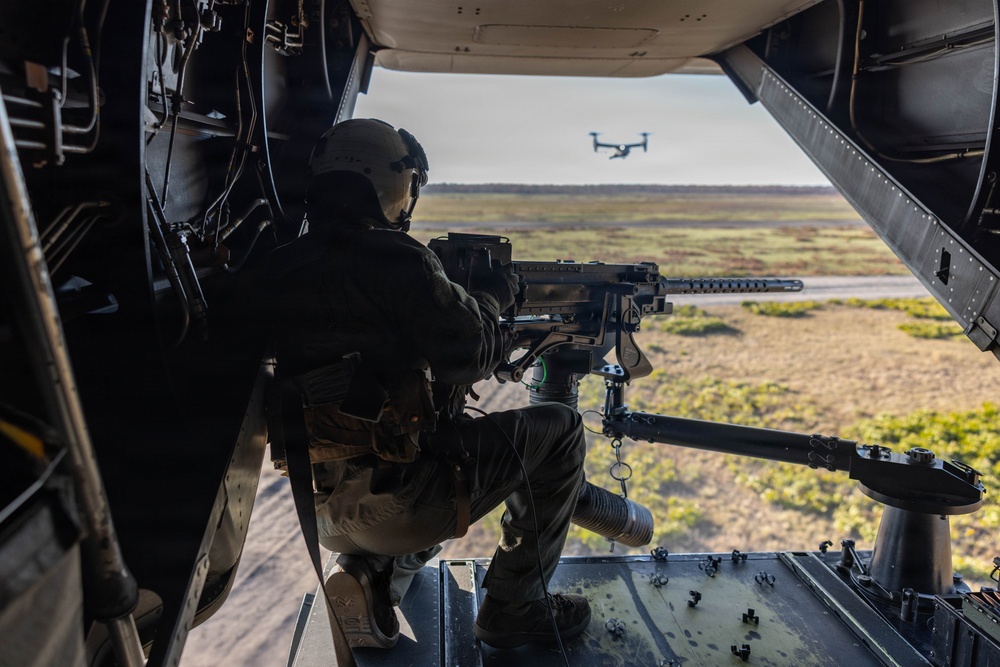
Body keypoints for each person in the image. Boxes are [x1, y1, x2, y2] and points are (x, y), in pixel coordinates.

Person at [269, 118, 591, 650]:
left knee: (440, 442)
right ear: (394, 183)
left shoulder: (280, 266)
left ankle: (366, 575)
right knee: (561, 428)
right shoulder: (397, 258)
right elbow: (473, 354)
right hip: (406, 507)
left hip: (320, 512)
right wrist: (489, 295)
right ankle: (517, 608)